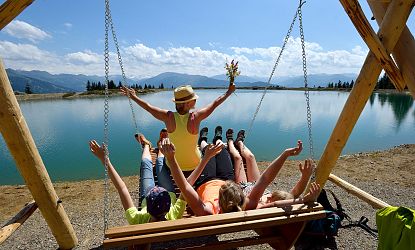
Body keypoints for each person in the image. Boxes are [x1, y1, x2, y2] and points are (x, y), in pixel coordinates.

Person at [159, 134, 320, 216]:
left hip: (205, 180)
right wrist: (284, 155)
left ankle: (205, 142)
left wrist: (172, 159)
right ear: (241, 195)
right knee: (220, 151)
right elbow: (264, 180)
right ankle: (214, 140)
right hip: (223, 177)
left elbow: (185, 186)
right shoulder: (246, 205)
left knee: (211, 151)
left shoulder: (209, 211)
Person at [88, 132, 187, 224]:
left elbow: (122, 188)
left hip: (156, 193)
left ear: (147, 209)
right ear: (169, 207)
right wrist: (105, 161)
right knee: (160, 165)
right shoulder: (174, 215)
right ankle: (161, 147)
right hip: (160, 193)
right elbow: (186, 187)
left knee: (147, 165)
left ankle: (147, 145)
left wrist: (105, 160)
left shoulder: (138, 219)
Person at [226, 128, 313, 209]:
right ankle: (239, 142)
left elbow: (266, 179)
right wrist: (305, 177)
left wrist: (285, 154)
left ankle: (230, 141)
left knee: (238, 158)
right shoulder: (284, 205)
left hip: (244, 186)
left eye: (270, 197)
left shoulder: (256, 205)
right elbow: (296, 193)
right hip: (257, 185)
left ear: (271, 201)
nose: (268, 195)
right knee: (250, 157)